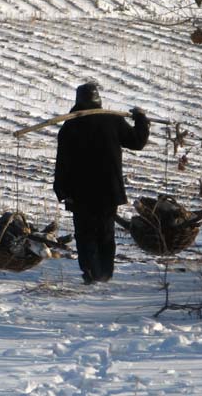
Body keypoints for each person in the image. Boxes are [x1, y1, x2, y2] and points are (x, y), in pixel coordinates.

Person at [53, 82, 150, 284]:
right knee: (106, 232)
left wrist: (61, 190)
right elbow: (137, 142)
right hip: (108, 190)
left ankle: (91, 273)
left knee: (85, 233)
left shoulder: (70, 126)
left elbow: (62, 162)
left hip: (79, 192)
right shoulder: (112, 121)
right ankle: (105, 273)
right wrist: (141, 119)